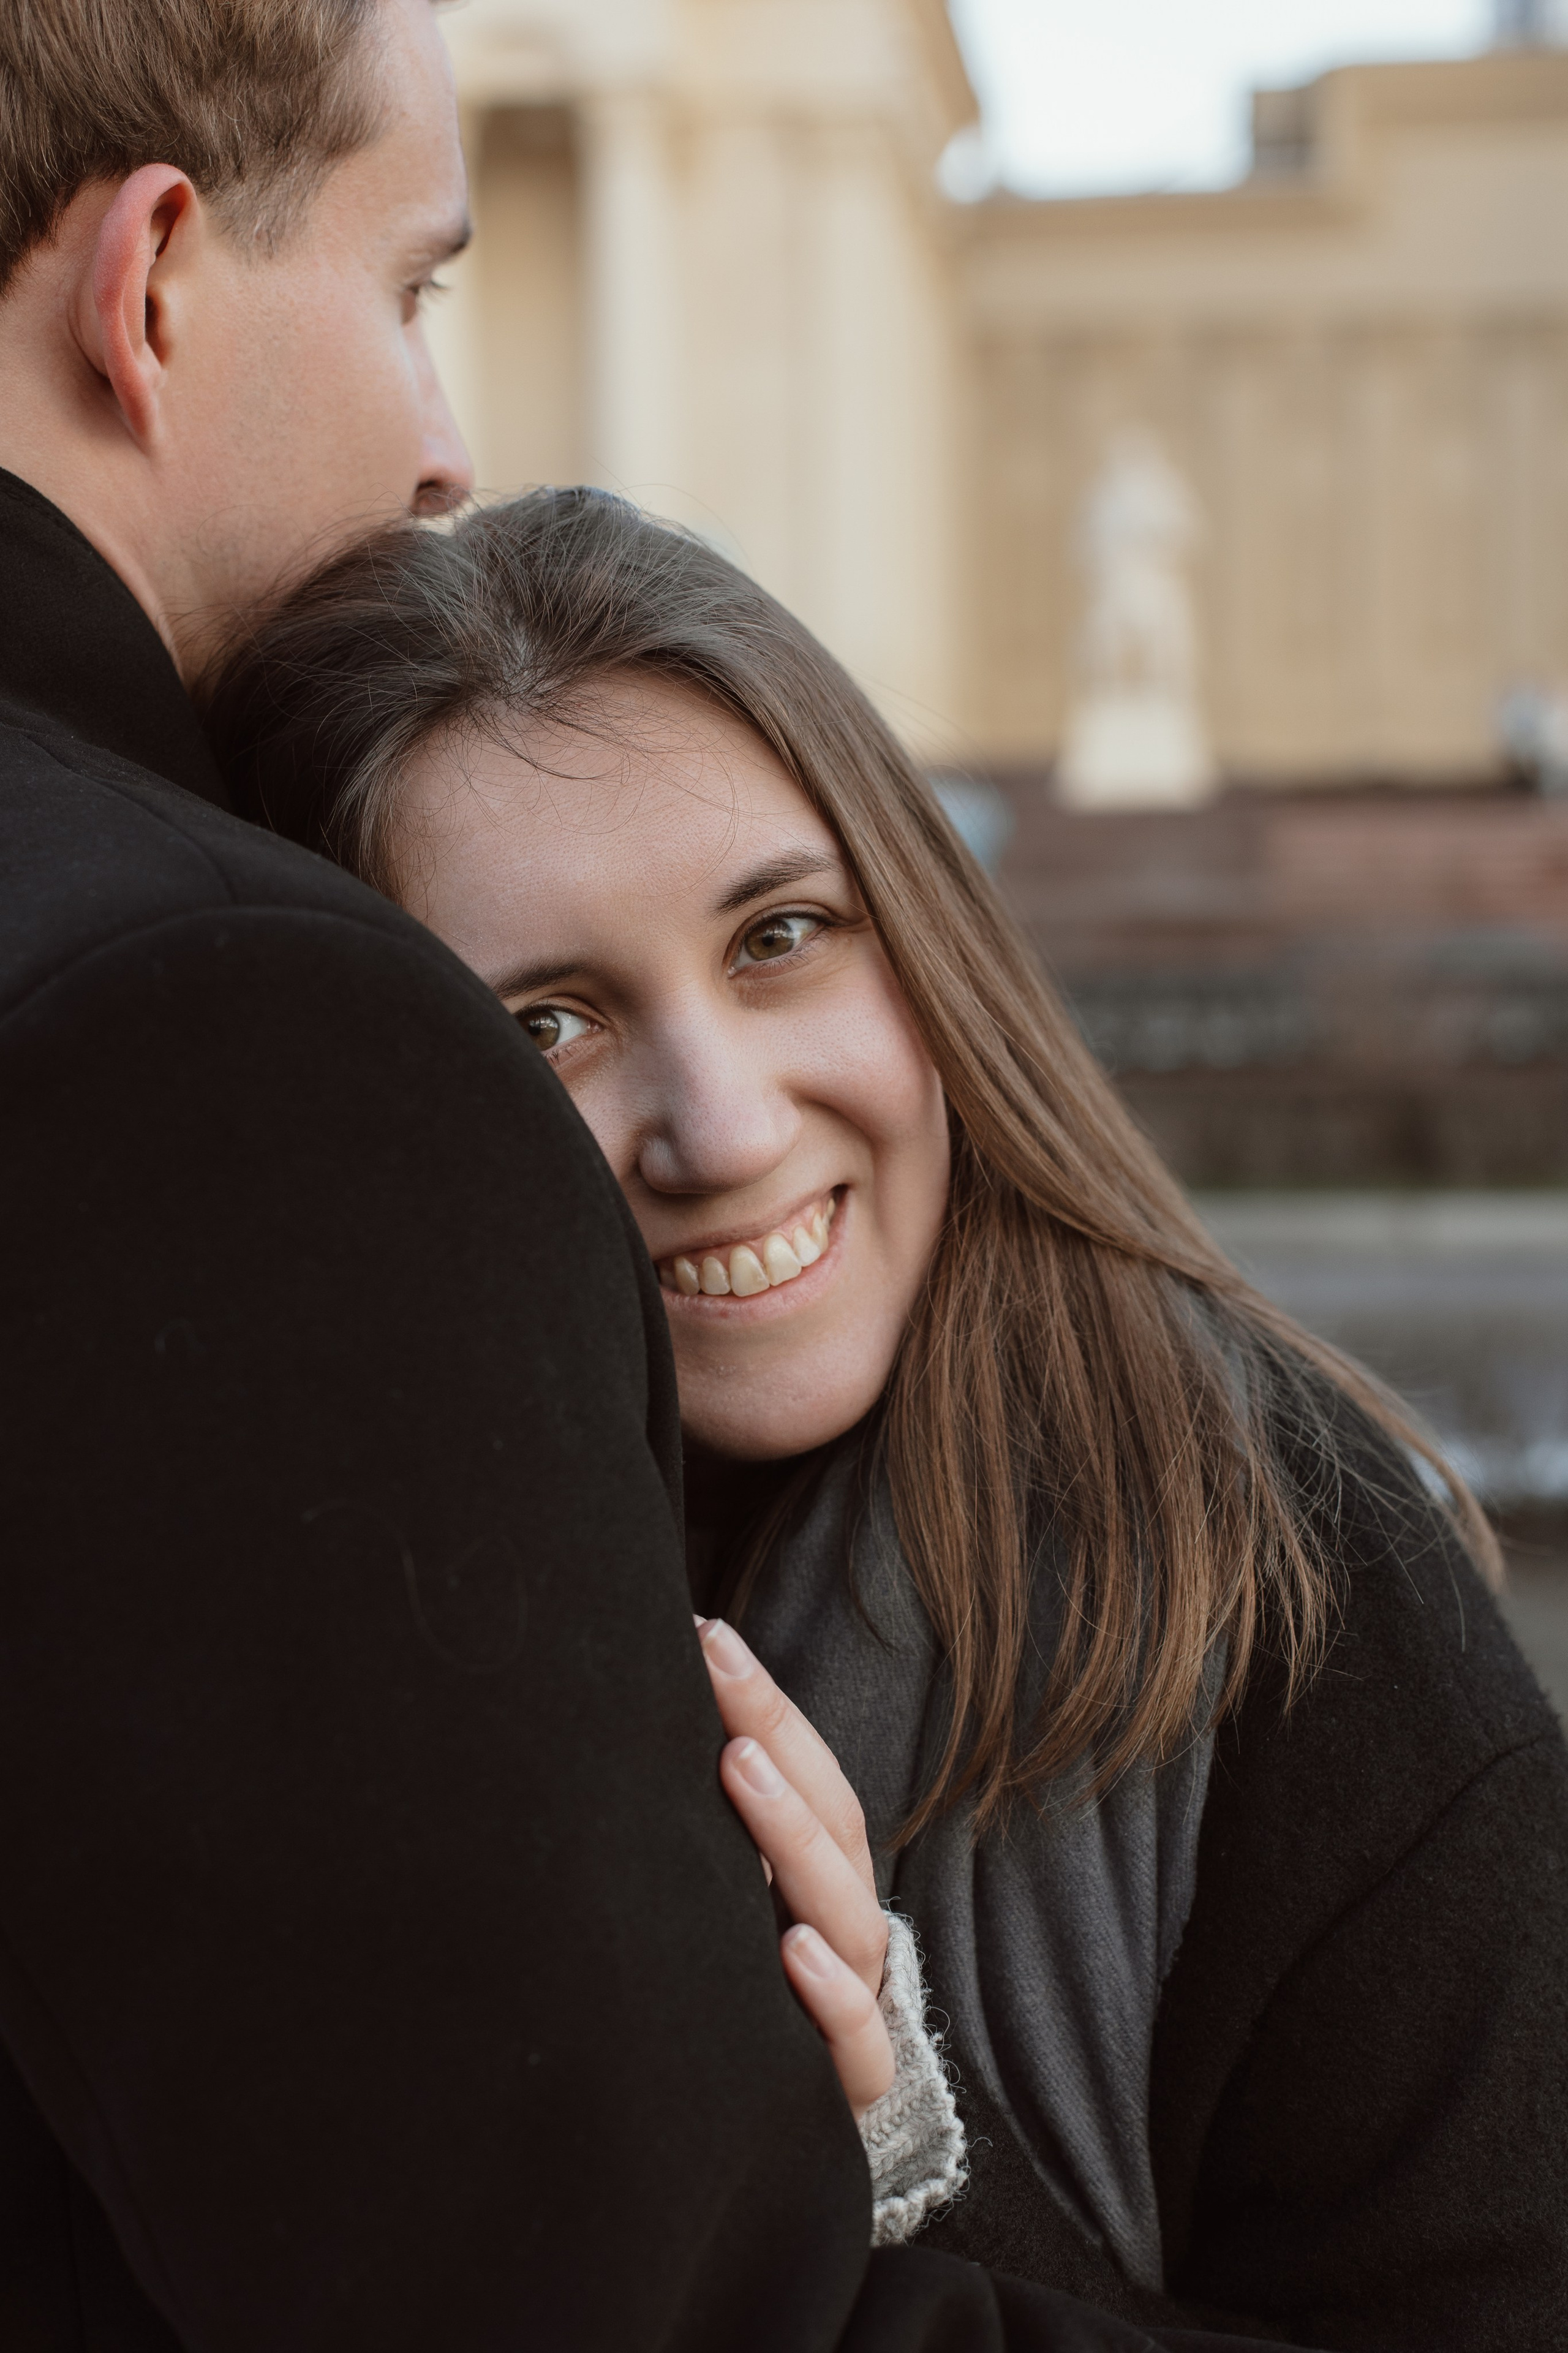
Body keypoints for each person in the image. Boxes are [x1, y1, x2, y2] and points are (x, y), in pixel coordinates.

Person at [0, 2, 1250, 2346]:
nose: (448, 444)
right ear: (152, 282)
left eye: (786, 933)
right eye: (413, 289)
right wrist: (884, 2166)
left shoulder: (1272, 1566)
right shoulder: (211, 1031)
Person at [206, 484, 1568, 2351]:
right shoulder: (303, 1656)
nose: (728, 1125)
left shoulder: (1285, 1575)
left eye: (780, 937)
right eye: (547, 1024)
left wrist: (895, 2146)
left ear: (921, 943)